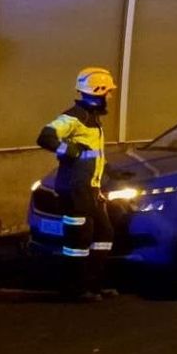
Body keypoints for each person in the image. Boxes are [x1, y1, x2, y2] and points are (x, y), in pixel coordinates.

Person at [36, 67, 118, 301]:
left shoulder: (91, 119)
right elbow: (45, 136)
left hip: (89, 190)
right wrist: (67, 150)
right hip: (75, 190)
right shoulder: (74, 117)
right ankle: (75, 289)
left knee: (104, 234)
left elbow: (93, 155)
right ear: (98, 91)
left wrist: (109, 172)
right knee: (78, 241)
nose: (110, 96)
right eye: (108, 92)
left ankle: (93, 285)